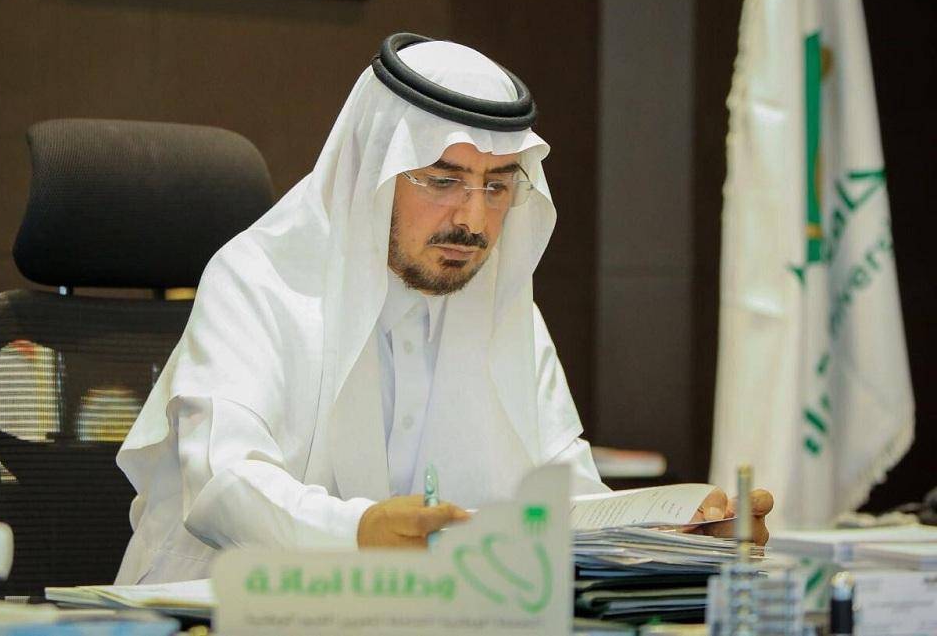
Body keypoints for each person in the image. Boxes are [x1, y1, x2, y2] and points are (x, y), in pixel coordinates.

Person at [114, 34, 771, 585]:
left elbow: (564, 501)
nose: (473, 220)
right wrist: (360, 529)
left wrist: (676, 538)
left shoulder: (503, 307)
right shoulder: (260, 282)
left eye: (498, 186)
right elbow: (224, 484)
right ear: (374, 170)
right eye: (443, 180)